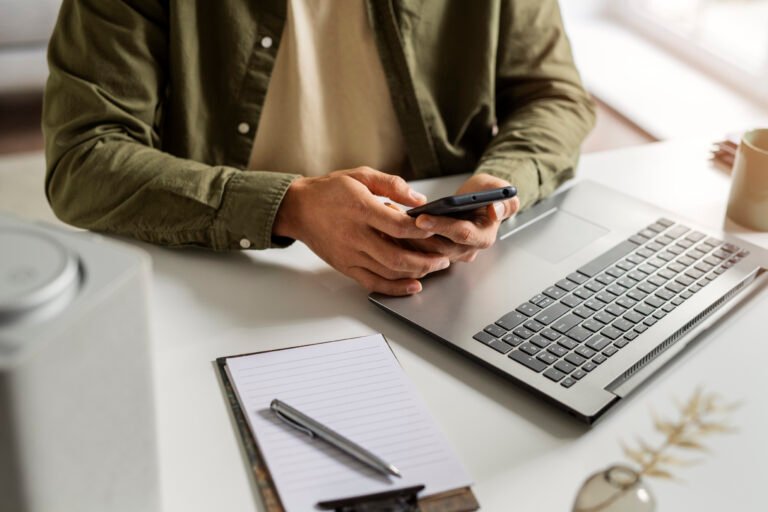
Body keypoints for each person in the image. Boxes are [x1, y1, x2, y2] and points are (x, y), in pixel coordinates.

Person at [43, 0, 595, 296]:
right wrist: (290, 205)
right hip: (230, 271)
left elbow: (554, 95)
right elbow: (85, 156)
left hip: (445, 274)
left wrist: (498, 185)